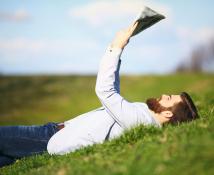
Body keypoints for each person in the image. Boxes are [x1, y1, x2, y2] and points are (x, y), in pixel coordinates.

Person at [0, 22, 198, 168]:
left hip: (48, 138)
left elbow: (105, 91)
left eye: (169, 99)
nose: (164, 95)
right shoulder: (142, 117)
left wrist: (116, 47)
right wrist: (119, 55)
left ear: (168, 114)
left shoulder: (141, 120)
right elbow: (115, 96)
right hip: (55, 131)